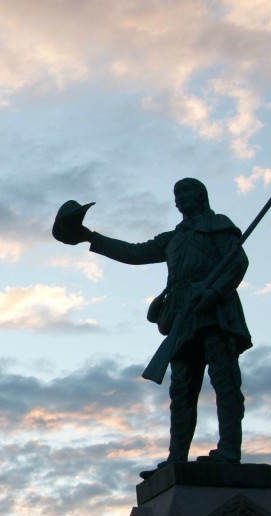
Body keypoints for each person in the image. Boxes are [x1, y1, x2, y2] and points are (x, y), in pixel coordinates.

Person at [53, 179, 251, 479]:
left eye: (184, 193)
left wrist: (213, 293)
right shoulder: (173, 238)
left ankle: (229, 451)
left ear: (200, 195)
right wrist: (89, 236)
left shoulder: (218, 226)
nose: (178, 200)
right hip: (182, 317)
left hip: (215, 313)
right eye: (175, 195)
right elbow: (134, 253)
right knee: (182, 390)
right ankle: (176, 457)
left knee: (225, 383)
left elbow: (237, 262)